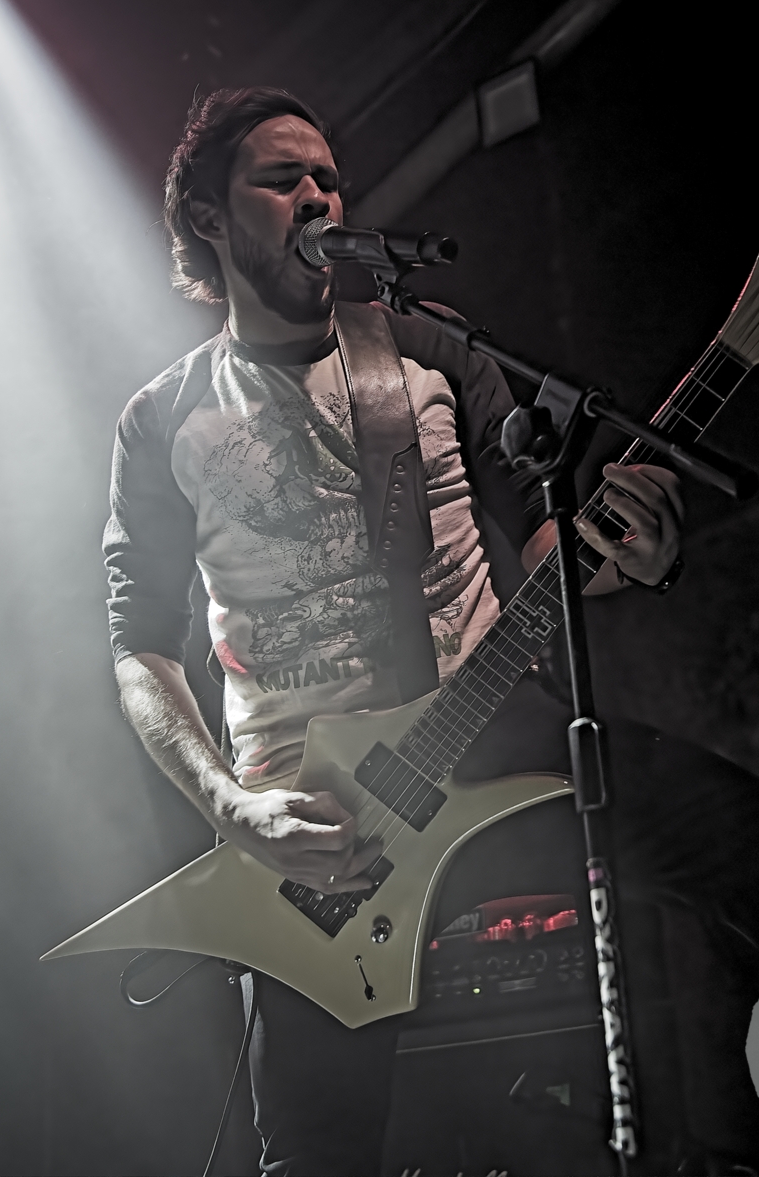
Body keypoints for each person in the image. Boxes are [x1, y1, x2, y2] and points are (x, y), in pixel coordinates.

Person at [103, 87, 686, 1174]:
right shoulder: (164, 417)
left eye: (329, 177)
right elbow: (139, 644)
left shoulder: (427, 350)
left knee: (756, 853)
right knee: (318, 1149)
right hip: (316, 827)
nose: (318, 195)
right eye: (282, 177)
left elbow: (545, 551)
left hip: (495, 740)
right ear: (210, 218)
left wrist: (626, 557)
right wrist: (232, 808)